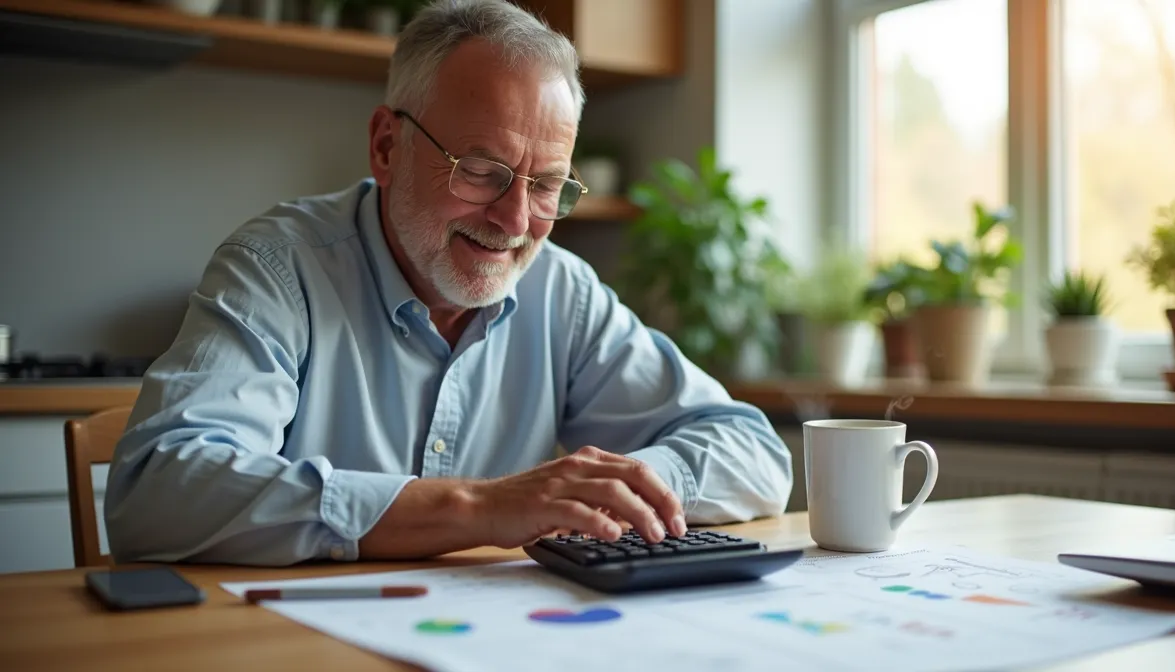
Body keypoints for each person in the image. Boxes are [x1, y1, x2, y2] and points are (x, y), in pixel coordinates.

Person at [104, 0, 792, 567]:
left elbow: (755, 454)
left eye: (547, 185)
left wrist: (624, 486)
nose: (515, 221)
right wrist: (481, 508)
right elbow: (158, 492)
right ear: (386, 147)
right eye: (481, 171)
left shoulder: (561, 290)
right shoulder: (279, 268)